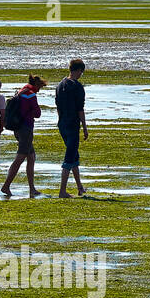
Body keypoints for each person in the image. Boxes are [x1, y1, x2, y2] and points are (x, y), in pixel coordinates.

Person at [1, 74, 46, 198]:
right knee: (20, 157)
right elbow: (38, 113)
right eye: (40, 87)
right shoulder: (30, 94)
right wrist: (32, 111)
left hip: (18, 127)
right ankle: (6, 186)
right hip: (25, 128)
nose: (39, 90)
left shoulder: (20, 91)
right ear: (36, 84)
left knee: (31, 157)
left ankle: (32, 189)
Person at [56, 58, 89, 198]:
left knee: (74, 155)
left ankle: (80, 187)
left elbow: (58, 106)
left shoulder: (60, 85)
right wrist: (85, 127)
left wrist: (61, 121)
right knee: (69, 158)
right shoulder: (77, 87)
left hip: (63, 123)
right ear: (78, 70)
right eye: (81, 72)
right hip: (72, 124)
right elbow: (80, 109)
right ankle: (62, 191)